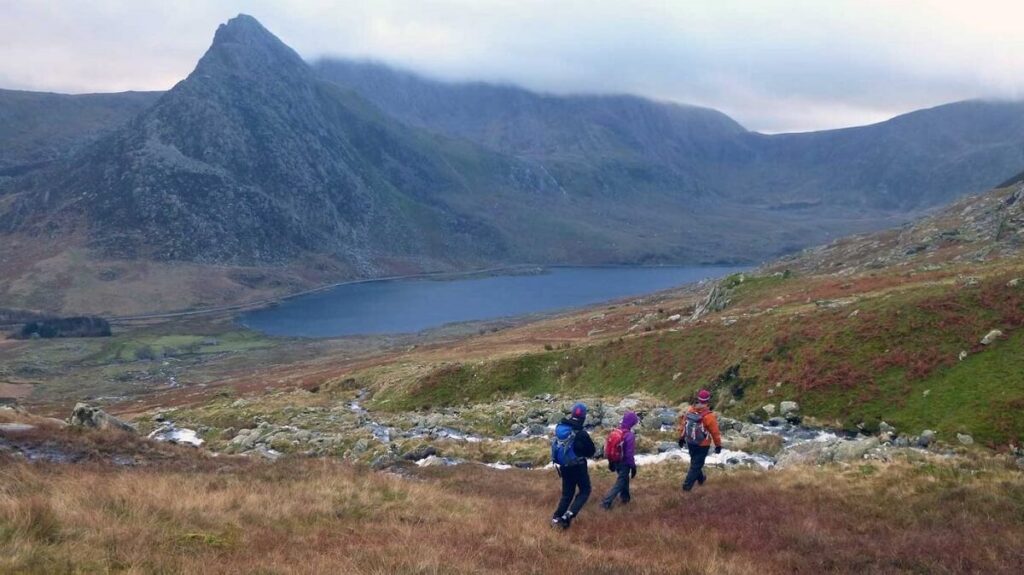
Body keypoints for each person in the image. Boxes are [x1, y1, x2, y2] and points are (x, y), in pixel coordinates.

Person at [550, 402, 597, 529]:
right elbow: (591, 451)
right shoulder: (581, 433)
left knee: (567, 494)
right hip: (578, 466)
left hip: (564, 466)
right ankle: (568, 516)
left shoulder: (561, 428)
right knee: (585, 490)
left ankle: (555, 518)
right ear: (583, 417)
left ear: (572, 414)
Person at [678, 389, 722, 492]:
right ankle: (686, 488)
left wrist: (681, 438)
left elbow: (683, 426)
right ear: (708, 400)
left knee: (695, 463)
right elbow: (715, 432)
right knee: (695, 465)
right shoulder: (709, 416)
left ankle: (701, 479)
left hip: (690, 442)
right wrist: (718, 445)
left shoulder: (690, 411)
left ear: (698, 399)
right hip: (703, 444)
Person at [601, 410, 638, 510]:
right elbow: (629, 455)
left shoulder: (616, 431)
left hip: (615, 460)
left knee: (624, 479)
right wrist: (633, 467)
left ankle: (625, 498)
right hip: (624, 463)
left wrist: (610, 461)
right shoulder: (629, 435)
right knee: (620, 482)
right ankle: (606, 502)